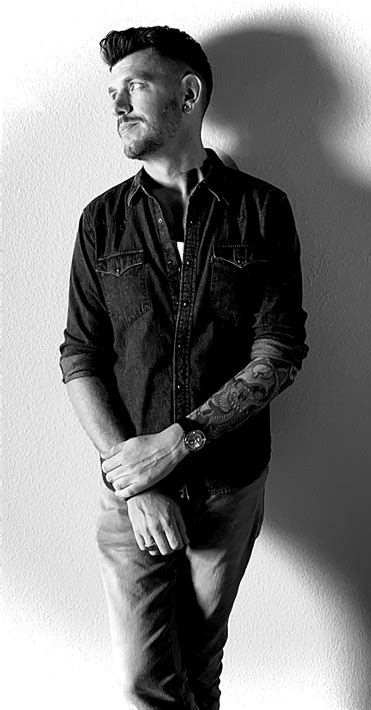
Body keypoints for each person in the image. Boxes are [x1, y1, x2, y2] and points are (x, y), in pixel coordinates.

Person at [59, 25, 308, 710]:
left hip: (228, 483)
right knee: (147, 680)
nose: (117, 106)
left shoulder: (262, 209)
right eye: (112, 93)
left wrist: (180, 443)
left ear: (189, 94)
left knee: (199, 666)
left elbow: (280, 350)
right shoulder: (101, 221)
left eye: (134, 87)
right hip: (131, 491)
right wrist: (136, 479)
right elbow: (80, 356)